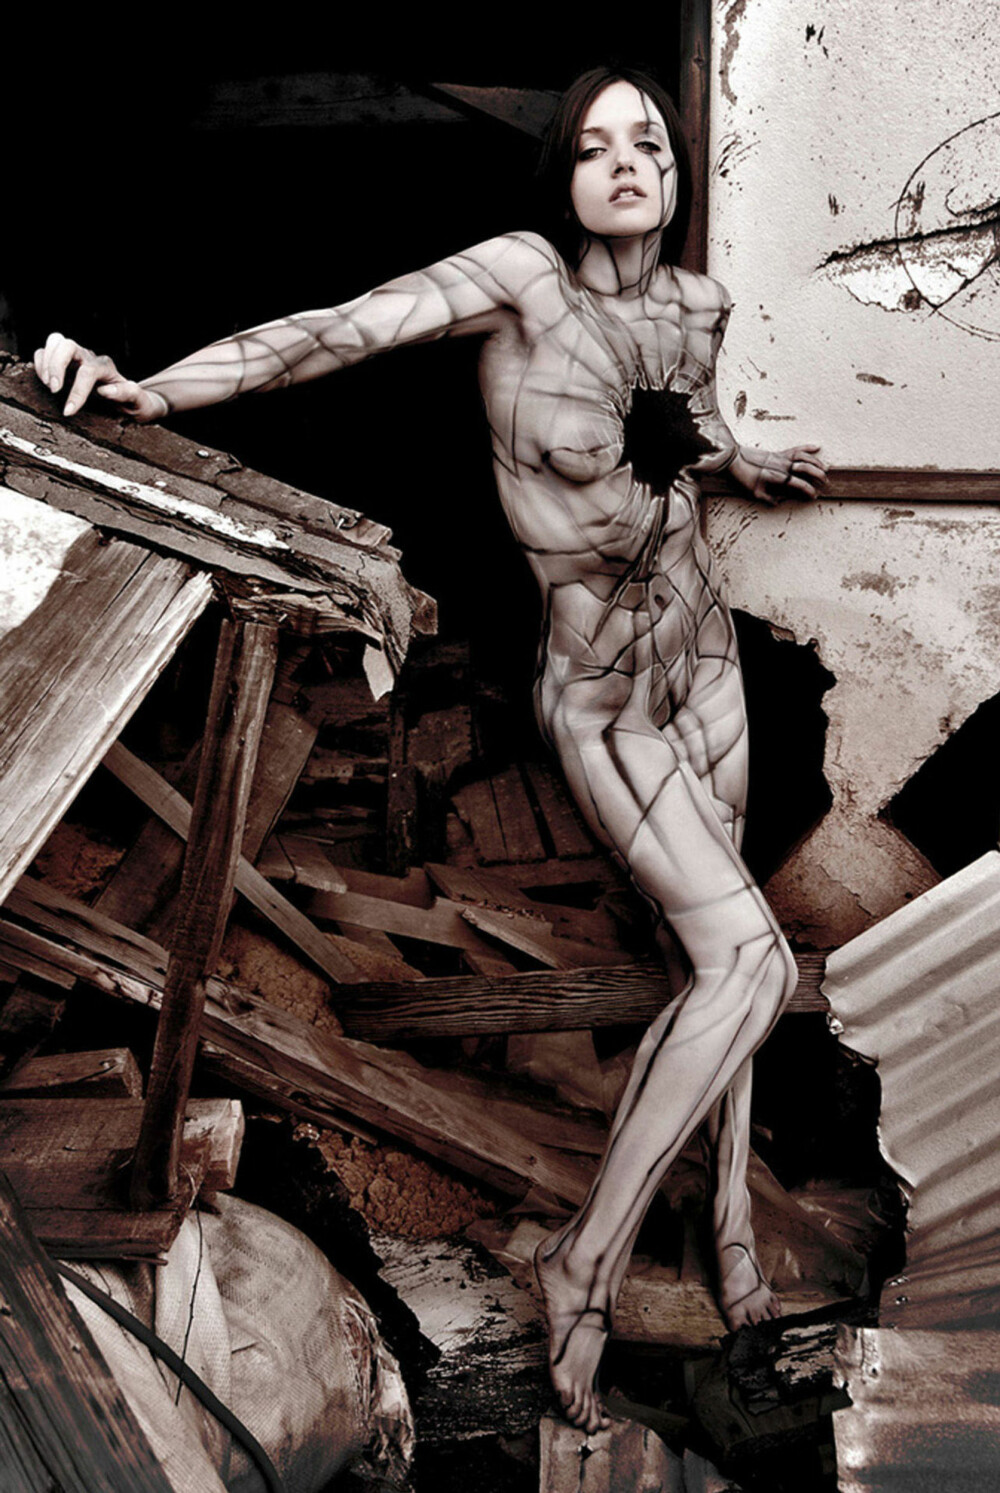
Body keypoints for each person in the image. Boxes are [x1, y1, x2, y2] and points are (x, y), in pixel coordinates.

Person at [35, 66, 828, 1435]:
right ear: (562, 179)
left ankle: (737, 1249)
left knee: (713, 960)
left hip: (706, 660)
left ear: (680, 173)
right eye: (595, 146)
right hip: (602, 689)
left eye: (650, 144)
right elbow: (338, 331)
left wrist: (741, 461)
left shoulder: (699, 306)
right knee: (750, 962)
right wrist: (152, 391)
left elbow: (680, 428)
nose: (626, 163)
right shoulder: (523, 283)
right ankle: (584, 1267)